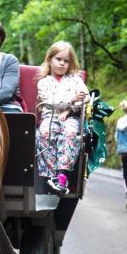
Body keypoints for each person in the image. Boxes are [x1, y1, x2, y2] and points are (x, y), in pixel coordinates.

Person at [35, 41, 89, 195]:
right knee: (45, 133)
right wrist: (71, 100)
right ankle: (51, 175)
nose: (62, 63)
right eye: (58, 59)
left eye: (66, 61)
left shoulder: (75, 80)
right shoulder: (44, 83)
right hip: (50, 116)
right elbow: (51, 101)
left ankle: (62, 176)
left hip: (70, 116)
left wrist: (70, 109)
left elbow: (85, 99)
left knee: (71, 133)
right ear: (49, 60)